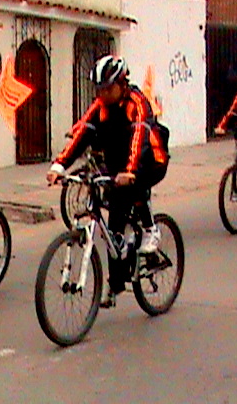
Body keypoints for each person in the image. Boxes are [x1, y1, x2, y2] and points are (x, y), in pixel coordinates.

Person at [46, 55, 169, 307]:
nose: (102, 94)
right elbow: (84, 132)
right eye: (99, 89)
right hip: (119, 164)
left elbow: (139, 138)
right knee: (113, 227)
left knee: (132, 187)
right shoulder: (100, 105)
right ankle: (115, 285)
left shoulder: (137, 102)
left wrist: (130, 171)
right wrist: (59, 165)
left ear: (122, 84)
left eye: (107, 88)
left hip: (150, 159)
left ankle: (150, 229)